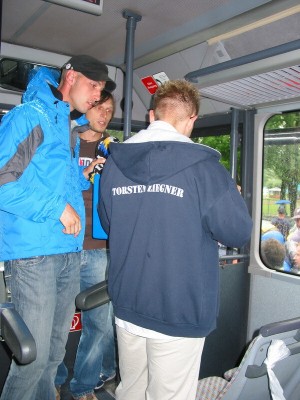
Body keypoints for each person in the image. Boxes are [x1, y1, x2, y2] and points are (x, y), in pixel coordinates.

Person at [99, 80, 252, 400]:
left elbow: (109, 223)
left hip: (128, 303)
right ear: (192, 119)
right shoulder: (207, 169)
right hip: (178, 308)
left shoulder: (114, 163)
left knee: (131, 390)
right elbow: (237, 233)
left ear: (153, 115)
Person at [0, 55, 115, 400]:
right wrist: (57, 208)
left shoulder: (63, 124)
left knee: (53, 358)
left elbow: (50, 182)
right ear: (71, 77)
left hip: (68, 252)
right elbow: (4, 182)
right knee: (32, 362)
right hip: (35, 256)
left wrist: (81, 177)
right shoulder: (29, 117)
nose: (97, 96)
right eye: (93, 86)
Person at [55, 91, 117, 400]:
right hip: (63, 243)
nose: (104, 114)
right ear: (86, 108)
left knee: (99, 324)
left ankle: (83, 387)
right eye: (99, 107)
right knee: (57, 322)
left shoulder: (115, 149)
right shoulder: (64, 141)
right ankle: (53, 381)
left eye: (109, 109)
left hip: (98, 246)